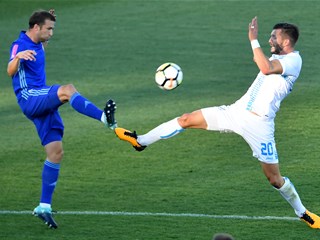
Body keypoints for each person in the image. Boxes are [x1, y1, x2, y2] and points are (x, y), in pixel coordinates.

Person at [114, 16, 320, 229]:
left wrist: (253, 39)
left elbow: (266, 68)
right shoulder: (280, 58)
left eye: (273, 37)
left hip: (260, 126)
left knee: (275, 179)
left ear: (286, 42)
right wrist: (257, 48)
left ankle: (302, 212)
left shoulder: (294, 61)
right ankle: (141, 141)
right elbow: (262, 63)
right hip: (236, 111)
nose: (270, 40)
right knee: (186, 119)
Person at [7, 9, 117, 229]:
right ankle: (104, 118)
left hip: (40, 100)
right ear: (36, 27)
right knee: (67, 90)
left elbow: (41, 42)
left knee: (56, 153)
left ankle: (44, 206)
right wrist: (17, 58)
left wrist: (45, 15)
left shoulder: (38, 42)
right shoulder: (20, 44)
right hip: (30, 97)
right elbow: (10, 70)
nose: (52, 33)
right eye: (49, 28)